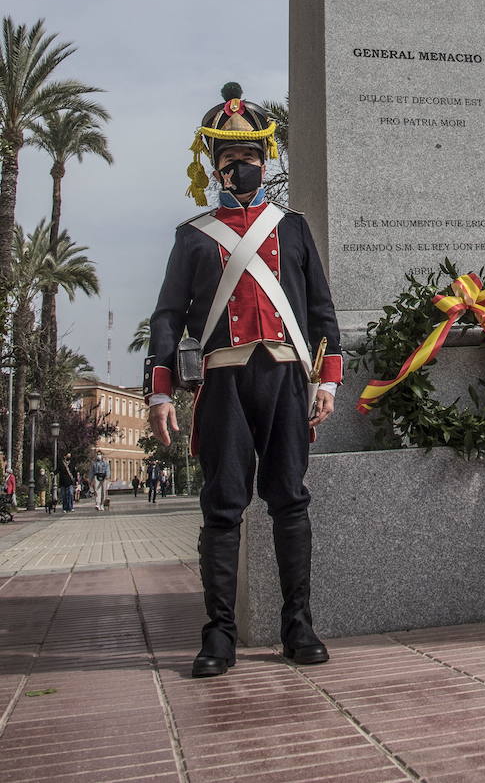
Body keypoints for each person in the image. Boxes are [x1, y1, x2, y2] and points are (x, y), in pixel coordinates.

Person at [145, 83, 343, 679]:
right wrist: (159, 391)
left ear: (266, 159)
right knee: (224, 508)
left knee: (290, 499)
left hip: (285, 377)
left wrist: (327, 379)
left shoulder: (294, 229)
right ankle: (219, 633)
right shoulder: (193, 237)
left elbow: (321, 312)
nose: (241, 167)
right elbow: (167, 315)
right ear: (215, 165)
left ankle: (298, 624)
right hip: (222, 383)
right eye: (229, 158)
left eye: (250, 157)